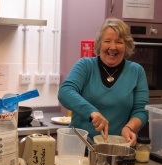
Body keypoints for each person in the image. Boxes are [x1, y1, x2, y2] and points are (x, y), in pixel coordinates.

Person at [58, 18, 149, 147]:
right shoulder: (85, 65)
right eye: (107, 41)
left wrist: (129, 128)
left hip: (118, 150)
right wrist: (93, 113)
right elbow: (65, 92)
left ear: (126, 46)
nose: (113, 47)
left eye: (119, 42)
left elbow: (141, 110)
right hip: (79, 149)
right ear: (99, 44)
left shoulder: (136, 71)